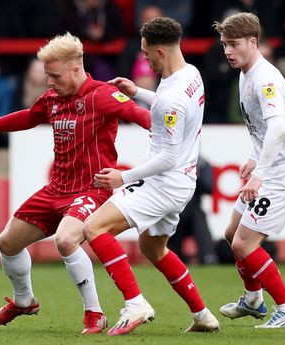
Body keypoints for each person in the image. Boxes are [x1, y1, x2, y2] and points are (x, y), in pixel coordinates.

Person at [0, 32, 151, 334]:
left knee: (66, 239)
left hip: (91, 189)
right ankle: (24, 301)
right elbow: (29, 117)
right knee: (7, 243)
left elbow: (140, 115)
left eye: (54, 76)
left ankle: (94, 313)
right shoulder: (53, 99)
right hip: (56, 189)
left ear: (75, 69)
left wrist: (172, 143)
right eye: (47, 76)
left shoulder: (102, 95)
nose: (49, 82)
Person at [83, 17, 220, 336]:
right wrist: (137, 93)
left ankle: (135, 304)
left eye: (145, 53)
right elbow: (170, 109)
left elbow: (168, 155)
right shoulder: (190, 74)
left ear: (160, 51)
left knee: (95, 228)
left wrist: (124, 177)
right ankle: (202, 315)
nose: (143, 58)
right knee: (153, 249)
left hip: (164, 183)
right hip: (184, 182)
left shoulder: (172, 97)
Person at [213, 12, 285, 328]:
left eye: (234, 44)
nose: (228, 51)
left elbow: (279, 130)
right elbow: (264, 130)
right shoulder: (246, 73)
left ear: (253, 42)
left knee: (244, 243)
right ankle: (254, 301)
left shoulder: (264, 78)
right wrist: (256, 158)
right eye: (225, 45)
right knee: (232, 233)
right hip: (274, 165)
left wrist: (260, 174)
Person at [167, 155, 218, 265]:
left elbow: (209, 188)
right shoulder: (172, 160)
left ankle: (207, 256)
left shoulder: (202, 163)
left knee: (198, 216)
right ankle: (173, 257)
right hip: (176, 208)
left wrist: (195, 176)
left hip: (193, 209)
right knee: (176, 216)